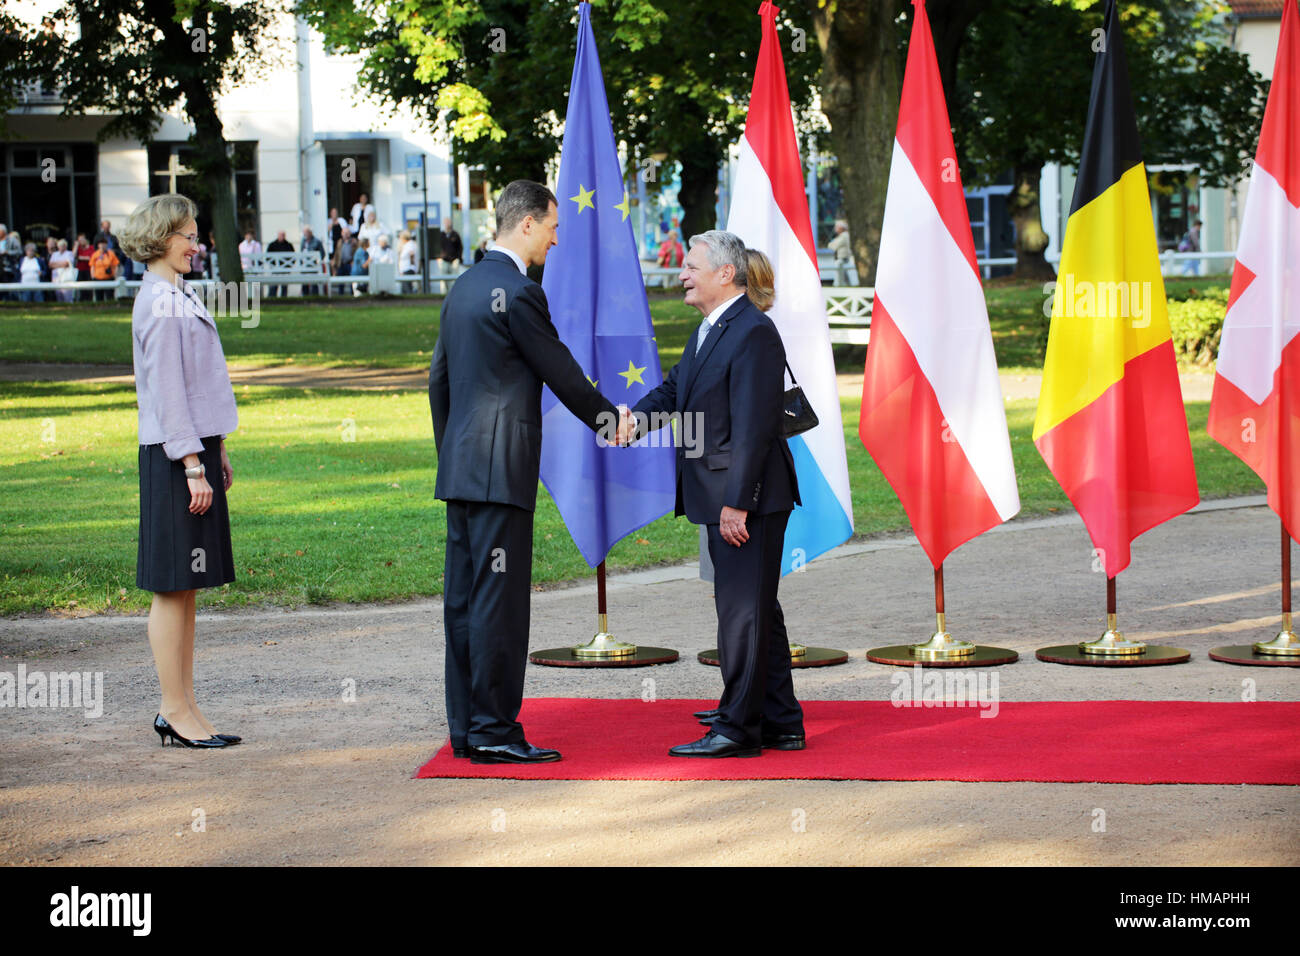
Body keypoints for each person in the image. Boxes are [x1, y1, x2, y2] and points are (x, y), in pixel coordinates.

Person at [428, 179, 633, 764]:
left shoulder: (463, 287)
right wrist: (607, 418)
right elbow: (561, 371)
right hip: (502, 471)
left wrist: (454, 453)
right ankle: (494, 730)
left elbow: (438, 383)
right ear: (525, 224)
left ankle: (468, 728)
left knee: (464, 601)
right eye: (551, 224)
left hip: (463, 471)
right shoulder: (519, 293)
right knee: (500, 601)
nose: (556, 236)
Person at [630, 231, 804, 758]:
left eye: (690, 266)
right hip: (723, 491)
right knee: (755, 608)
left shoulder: (752, 331)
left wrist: (738, 501)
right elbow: (676, 391)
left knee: (741, 613)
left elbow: (753, 427)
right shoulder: (711, 328)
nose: (682, 274)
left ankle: (737, 729)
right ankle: (778, 720)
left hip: (745, 498)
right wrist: (630, 421)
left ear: (725, 274)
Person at [121, 193, 240, 749]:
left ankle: (186, 705)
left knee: (188, 587)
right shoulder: (161, 302)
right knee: (172, 588)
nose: (197, 244)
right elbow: (168, 392)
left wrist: (213, 451)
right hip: (174, 458)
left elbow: (196, 387)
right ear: (161, 239)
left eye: (196, 235)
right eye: (188, 236)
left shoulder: (177, 293)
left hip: (192, 452)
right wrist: (192, 464)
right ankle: (173, 709)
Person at [265, 229, 293, 297]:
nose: (282, 236)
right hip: (275, 269)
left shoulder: (288, 245)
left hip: (285, 269)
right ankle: (271, 298)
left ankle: (284, 299)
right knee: (273, 286)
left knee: (284, 286)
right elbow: (268, 258)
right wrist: (274, 266)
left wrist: (287, 266)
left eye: (283, 235)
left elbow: (292, 257)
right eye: (281, 235)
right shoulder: (272, 245)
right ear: (278, 235)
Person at [49, 239, 77, 303]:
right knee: (58, 295)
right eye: (59, 245)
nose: (61, 247)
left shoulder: (69, 253)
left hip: (66, 277)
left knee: (67, 295)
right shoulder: (54, 254)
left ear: (65, 246)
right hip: (56, 277)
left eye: (62, 245)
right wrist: (62, 264)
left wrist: (56, 264)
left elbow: (66, 264)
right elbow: (50, 265)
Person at [300, 226, 326, 295]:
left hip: (314, 265)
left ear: (310, 233)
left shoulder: (317, 241)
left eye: (306, 232)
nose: (305, 234)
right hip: (305, 265)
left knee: (314, 280)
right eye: (304, 233)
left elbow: (322, 254)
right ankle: (305, 294)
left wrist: (317, 261)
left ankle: (315, 294)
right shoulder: (303, 241)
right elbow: (301, 253)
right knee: (304, 279)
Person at [828, 219, 852, 285]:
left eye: (836, 227)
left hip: (842, 259)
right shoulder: (842, 236)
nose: (835, 229)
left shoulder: (844, 236)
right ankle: (848, 285)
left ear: (841, 228)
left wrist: (831, 244)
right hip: (841, 259)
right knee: (844, 275)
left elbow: (833, 246)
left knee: (839, 275)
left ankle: (839, 287)